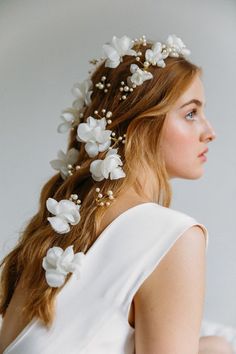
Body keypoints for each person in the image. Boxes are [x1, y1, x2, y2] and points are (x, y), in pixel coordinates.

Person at [0, 34, 233, 354]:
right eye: (191, 113)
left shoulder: (62, 230)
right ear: (140, 124)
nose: (210, 131)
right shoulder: (173, 237)